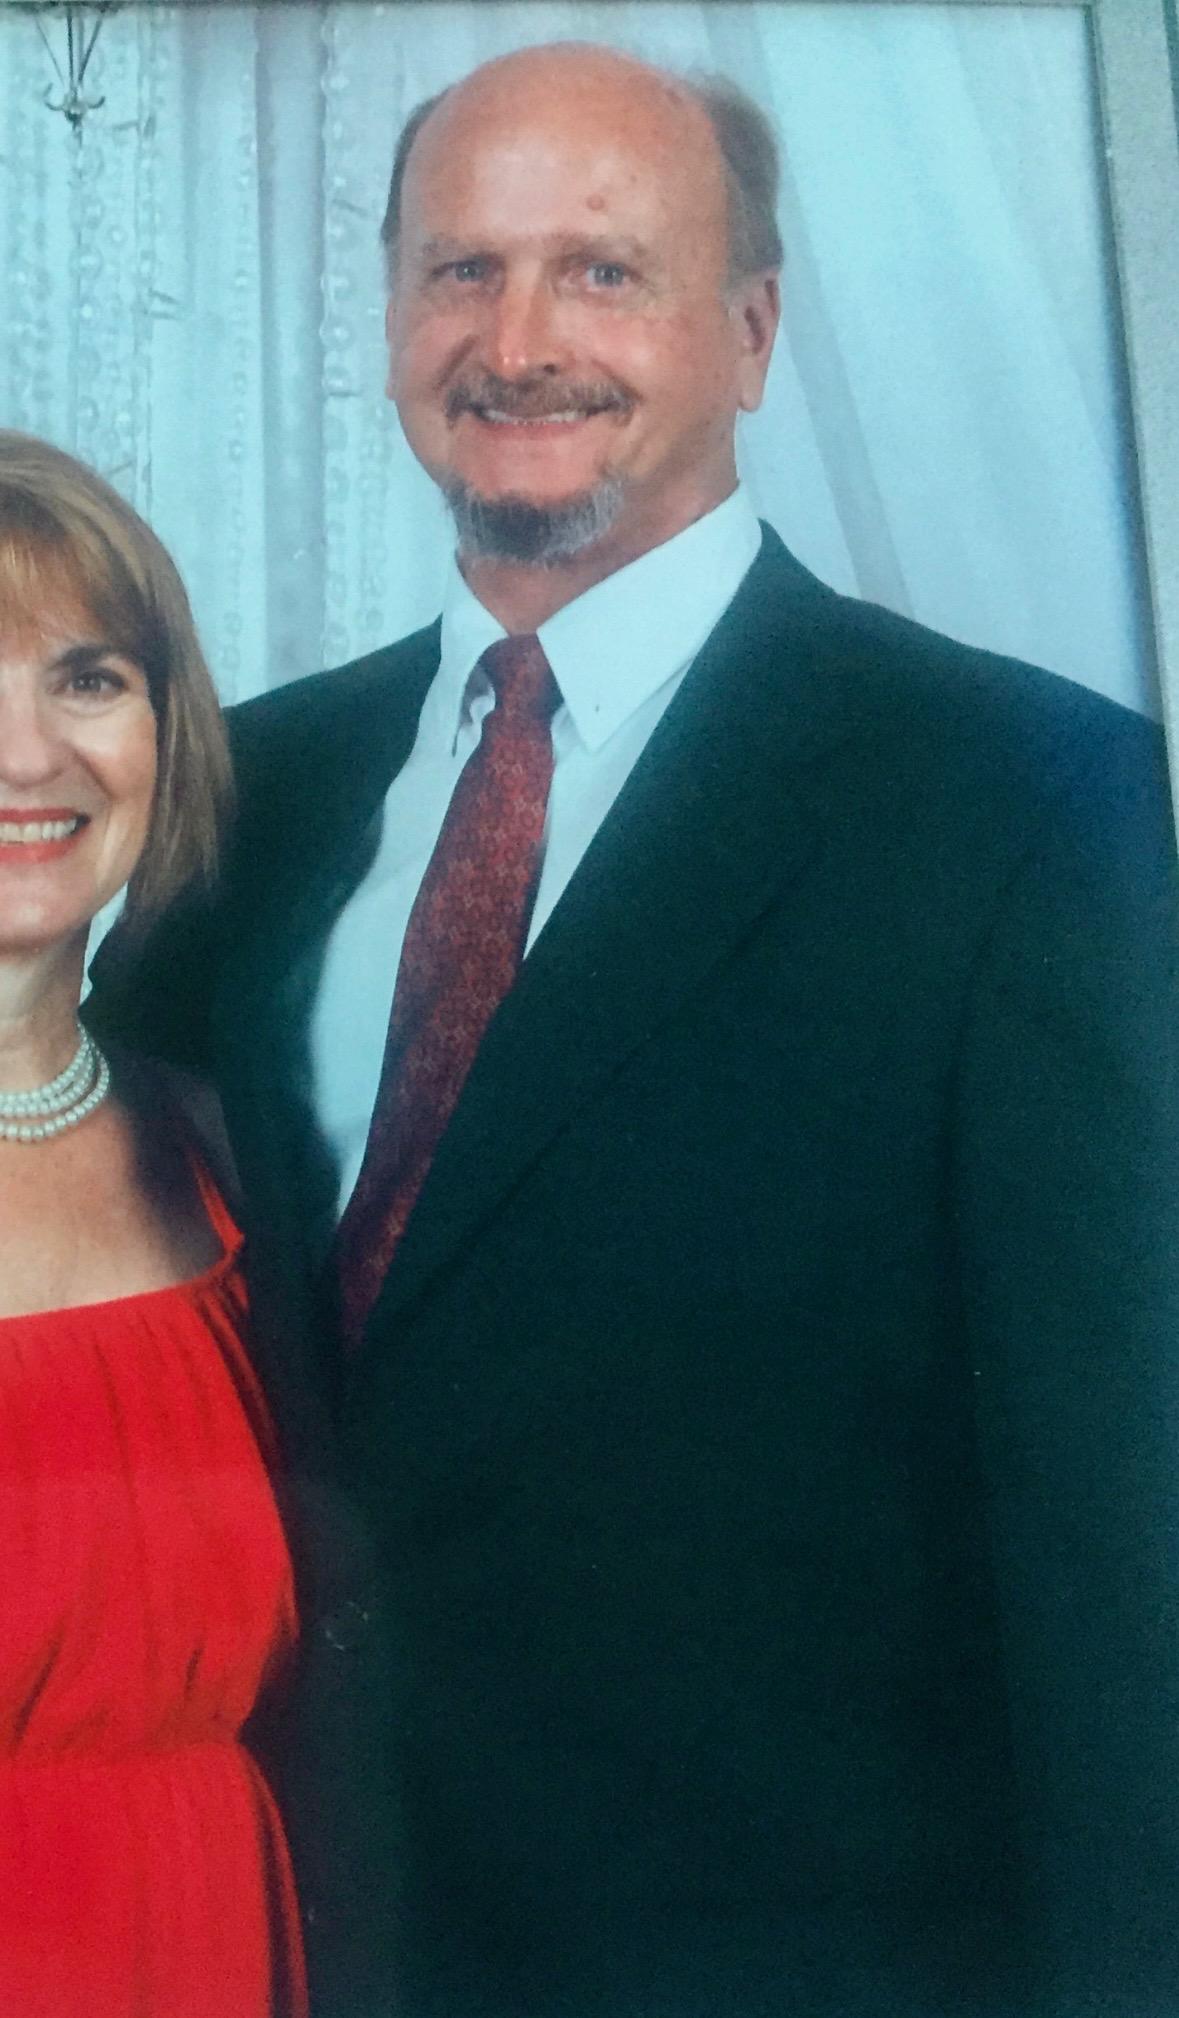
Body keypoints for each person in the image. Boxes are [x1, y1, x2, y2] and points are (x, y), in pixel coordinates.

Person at [89, 43, 1179, 2018]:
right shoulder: (238, 797)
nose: (518, 342)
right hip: (292, 1947)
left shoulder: (1024, 807)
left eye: (602, 271)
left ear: (750, 332)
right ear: (393, 314)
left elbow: (1114, 1558)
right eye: (461, 268)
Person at [0, 430, 306, 2018]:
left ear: (165, 736)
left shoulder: (234, 1158)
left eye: (89, 679)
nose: (27, 755)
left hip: (212, 1945)